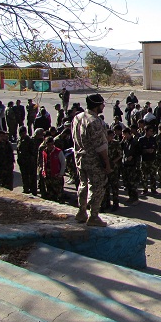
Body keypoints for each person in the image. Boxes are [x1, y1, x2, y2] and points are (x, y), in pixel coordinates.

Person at [71, 93, 111, 227]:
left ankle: (82, 211)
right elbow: (101, 147)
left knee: (83, 184)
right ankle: (94, 215)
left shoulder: (77, 117)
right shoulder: (95, 121)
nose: (103, 106)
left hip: (80, 157)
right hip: (93, 159)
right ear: (96, 106)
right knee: (98, 186)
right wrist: (107, 164)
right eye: (102, 104)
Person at [42, 136, 67, 203]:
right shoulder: (44, 151)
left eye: (51, 144)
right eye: (48, 144)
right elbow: (44, 162)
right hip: (48, 176)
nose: (50, 146)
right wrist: (44, 171)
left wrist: (61, 174)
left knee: (59, 194)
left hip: (57, 176)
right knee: (50, 193)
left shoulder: (58, 151)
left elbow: (63, 163)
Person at [17, 126, 38, 195]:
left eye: (23, 133)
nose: (22, 135)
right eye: (20, 133)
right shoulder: (19, 140)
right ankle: (26, 188)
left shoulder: (30, 140)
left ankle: (33, 190)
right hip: (22, 162)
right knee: (24, 176)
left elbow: (33, 152)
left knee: (32, 177)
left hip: (30, 161)